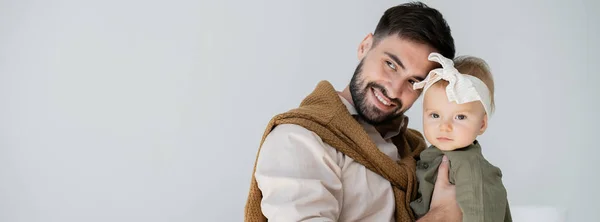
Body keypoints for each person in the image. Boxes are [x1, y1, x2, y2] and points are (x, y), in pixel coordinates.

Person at [245, 2, 461, 221]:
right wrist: (441, 215)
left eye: (413, 81)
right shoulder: (300, 139)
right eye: (391, 65)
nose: (394, 90)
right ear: (365, 46)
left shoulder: (415, 150)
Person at [409, 53, 512, 221]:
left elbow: (482, 214)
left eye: (460, 117)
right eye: (435, 115)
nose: (444, 126)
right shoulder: (427, 155)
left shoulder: (471, 167)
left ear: (481, 124)